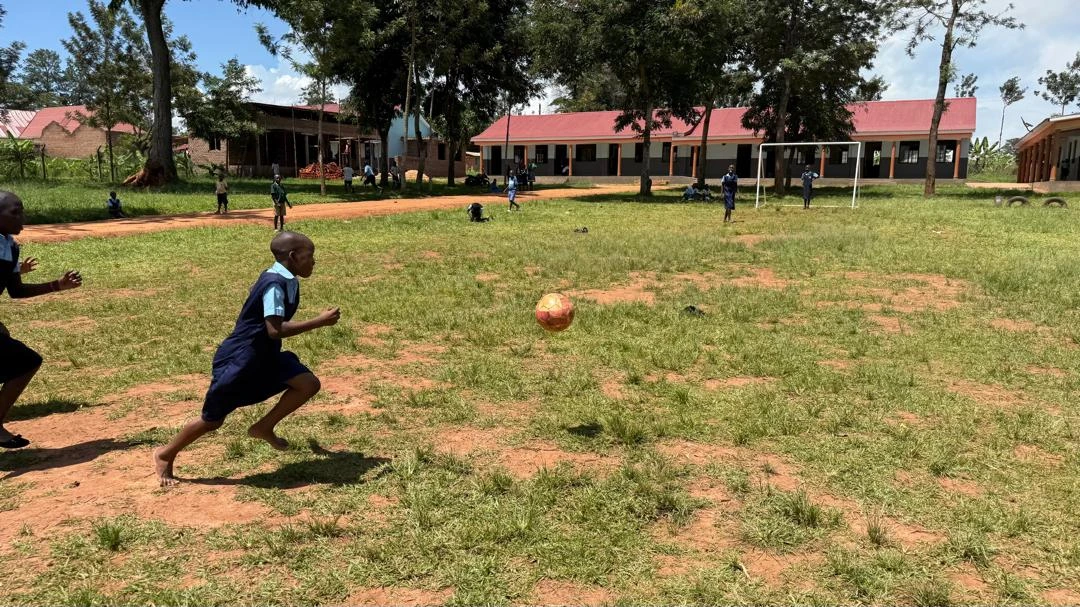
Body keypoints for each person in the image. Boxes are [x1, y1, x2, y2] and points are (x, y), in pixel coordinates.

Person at [153, 231, 340, 486]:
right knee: (212, 420)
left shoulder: (284, 277)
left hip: (264, 355)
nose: (314, 261)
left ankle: (263, 427)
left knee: (308, 383)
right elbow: (274, 330)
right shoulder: (275, 283)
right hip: (241, 359)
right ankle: (165, 454)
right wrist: (319, 321)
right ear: (294, 257)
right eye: (310, 256)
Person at [0, 191, 83, 449]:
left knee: (24, 361)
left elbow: (17, 291)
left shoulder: (10, 247)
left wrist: (57, 286)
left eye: (21, 211)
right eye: (15, 212)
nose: (21, 217)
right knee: (25, 361)